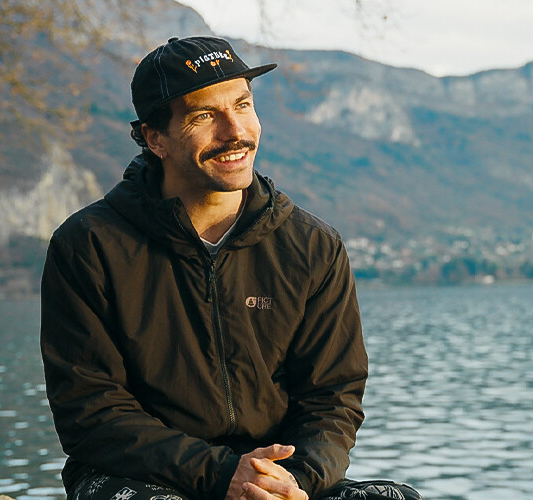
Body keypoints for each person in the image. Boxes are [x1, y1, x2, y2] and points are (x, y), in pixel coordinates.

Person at [40, 36, 369, 500]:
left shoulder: (313, 246)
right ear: (155, 138)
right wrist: (221, 474)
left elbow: (332, 397)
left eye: (243, 105)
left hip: (276, 475)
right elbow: (91, 411)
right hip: (141, 475)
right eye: (204, 116)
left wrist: (293, 481)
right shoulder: (89, 246)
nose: (235, 131)